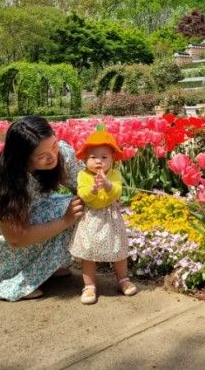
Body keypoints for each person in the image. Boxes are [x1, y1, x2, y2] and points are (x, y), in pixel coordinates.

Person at [0, 115, 85, 301]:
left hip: (31, 212)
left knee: (79, 206)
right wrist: (65, 221)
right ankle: (18, 279)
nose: (53, 157)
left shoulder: (61, 153)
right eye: (41, 156)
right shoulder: (4, 184)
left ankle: (46, 267)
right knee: (66, 212)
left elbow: (83, 187)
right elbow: (15, 238)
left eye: (53, 145)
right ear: (21, 157)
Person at [69, 125, 137, 304]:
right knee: (88, 253)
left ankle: (123, 279)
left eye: (104, 157)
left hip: (110, 218)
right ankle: (89, 285)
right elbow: (82, 194)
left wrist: (107, 185)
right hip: (91, 218)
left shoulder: (114, 174)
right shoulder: (83, 175)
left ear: (114, 158)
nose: (98, 161)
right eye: (93, 157)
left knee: (118, 249)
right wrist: (92, 190)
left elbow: (117, 192)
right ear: (84, 158)